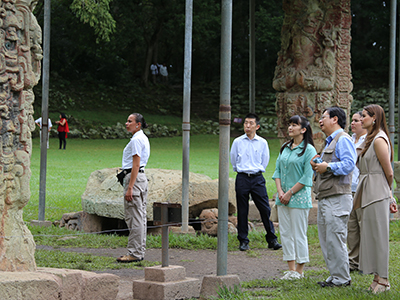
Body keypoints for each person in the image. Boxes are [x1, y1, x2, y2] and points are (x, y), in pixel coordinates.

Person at [353, 104, 398, 293]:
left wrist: (388, 194)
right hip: (367, 190)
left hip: (376, 191)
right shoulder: (369, 139)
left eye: (364, 116)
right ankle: (376, 277)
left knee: (379, 237)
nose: (361, 119)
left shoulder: (379, 140)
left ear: (374, 118)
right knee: (370, 236)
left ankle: (384, 280)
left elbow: (389, 172)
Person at [310, 107, 356, 288]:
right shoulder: (330, 141)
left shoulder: (343, 139)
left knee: (335, 237)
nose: (320, 120)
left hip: (337, 197)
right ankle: (335, 275)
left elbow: (349, 165)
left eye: (323, 117)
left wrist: (327, 166)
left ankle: (342, 279)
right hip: (327, 196)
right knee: (327, 238)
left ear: (334, 119)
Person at [273, 115, 316, 280]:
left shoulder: (309, 150)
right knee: (285, 232)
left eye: (294, 125)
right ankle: (291, 269)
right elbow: (277, 171)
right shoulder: (285, 147)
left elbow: (307, 177)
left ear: (303, 130)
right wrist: (280, 191)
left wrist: (290, 192)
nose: (290, 127)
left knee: (299, 233)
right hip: (282, 197)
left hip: (298, 198)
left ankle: (300, 270)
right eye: (289, 124)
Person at [230, 113, 282, 251]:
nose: (248, 126)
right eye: (246, 123)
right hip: (242, 177)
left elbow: (265, 161)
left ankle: (272, 239)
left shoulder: (263, 142)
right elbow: (233, 160)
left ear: (257, 126)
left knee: (265, 209)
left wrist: (256, 171)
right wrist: (242, 171)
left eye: (251, 123)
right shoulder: (237, 142)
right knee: (242, 210)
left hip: (257, 178)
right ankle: (243, 240)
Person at [117, 113, 150, 263]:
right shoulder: (141, 138)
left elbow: (136, 163)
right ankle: (138, 251)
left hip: (134, 178)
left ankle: (134, 253)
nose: (126, 123)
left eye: (130, 121)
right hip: (139, 178)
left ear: (138, 124)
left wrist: (130, 186)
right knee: (140, 217)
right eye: (127, 120)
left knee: (134, 217)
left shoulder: (137, 140)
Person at [347, 111, 367, 272]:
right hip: (348, 188)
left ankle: (367, 262)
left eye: (356, 121)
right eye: (352, 120)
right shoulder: (348, 140)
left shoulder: (371, 140)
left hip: (363, 188)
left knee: (363, 224)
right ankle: (353, 261)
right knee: (351, 226)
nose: (352, 123)